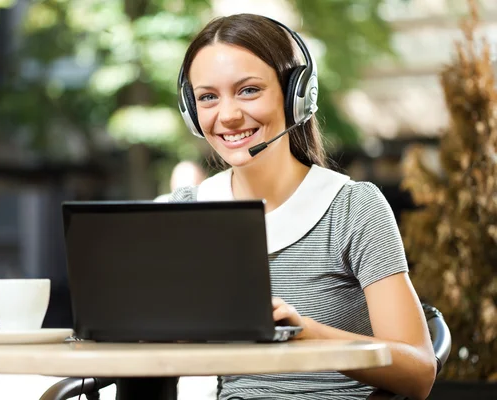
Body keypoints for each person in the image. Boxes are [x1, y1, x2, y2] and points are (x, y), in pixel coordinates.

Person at [171, 14, 437, 400]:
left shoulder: (353, 208)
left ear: (296, 96)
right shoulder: (188, 212)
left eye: (248, 90)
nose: (227, 115)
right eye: (208, 97)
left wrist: (307, 334)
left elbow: (419, 372)